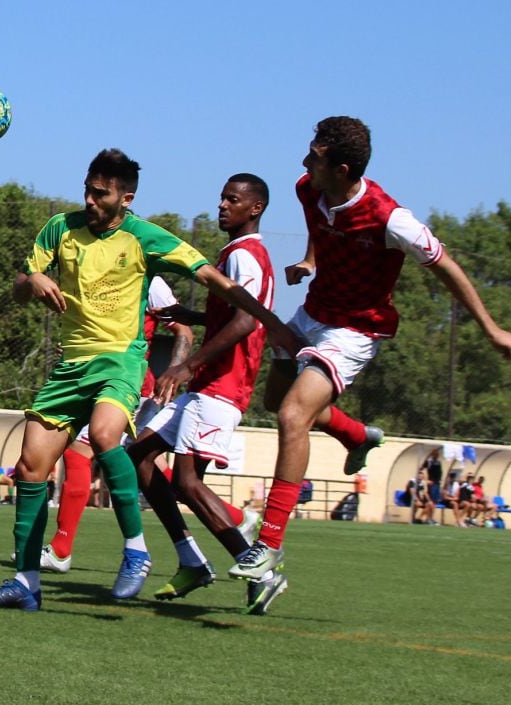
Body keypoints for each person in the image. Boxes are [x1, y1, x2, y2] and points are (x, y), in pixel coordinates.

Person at [0, 148, 300, 611]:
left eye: (100, 193)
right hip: (71, 365)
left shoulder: (146, 237)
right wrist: (33, 282)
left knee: (107, 437)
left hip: (120, 361)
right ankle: (25, 583)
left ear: (126, 198)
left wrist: (273, 323)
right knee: (30, 469)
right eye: (87, 189)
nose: (89, 199)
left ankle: (136, 552)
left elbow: (214, 280)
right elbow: (22, 285)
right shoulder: (59, 229)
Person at [231, 117, 511, 582]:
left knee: (293, 415)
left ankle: (268, 543)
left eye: (315, 156)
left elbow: (445, 266)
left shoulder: (391, 218)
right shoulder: (309, 187)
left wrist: (492, 330)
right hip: (314, 313)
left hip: (355, 330)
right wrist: (312, 259)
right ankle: (355, 434)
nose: (305, 161)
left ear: (343, 168)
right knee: (273, 403)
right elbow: (321, 219)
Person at [128, 173, 287, 615]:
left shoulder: (247, 256)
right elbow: (230, 317)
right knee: (136, 456)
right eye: (221, 197)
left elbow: (246, 322)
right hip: (209, 383)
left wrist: (185, 364)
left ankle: (260, 566)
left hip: (222, 384)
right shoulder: (238, 253)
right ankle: (191, 559)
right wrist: (193, 315)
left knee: (186, 481)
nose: (222, 205)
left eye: (232, 200)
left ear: (254, 209)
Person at [37, 276, 200, 573]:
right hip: (100, 378)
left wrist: (175, 374)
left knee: (79, 452)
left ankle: (62, 550)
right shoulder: (100, 272)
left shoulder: (151, 282)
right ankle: (236, 521)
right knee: (146, 465)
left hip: (129, 383)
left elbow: (184, 332)